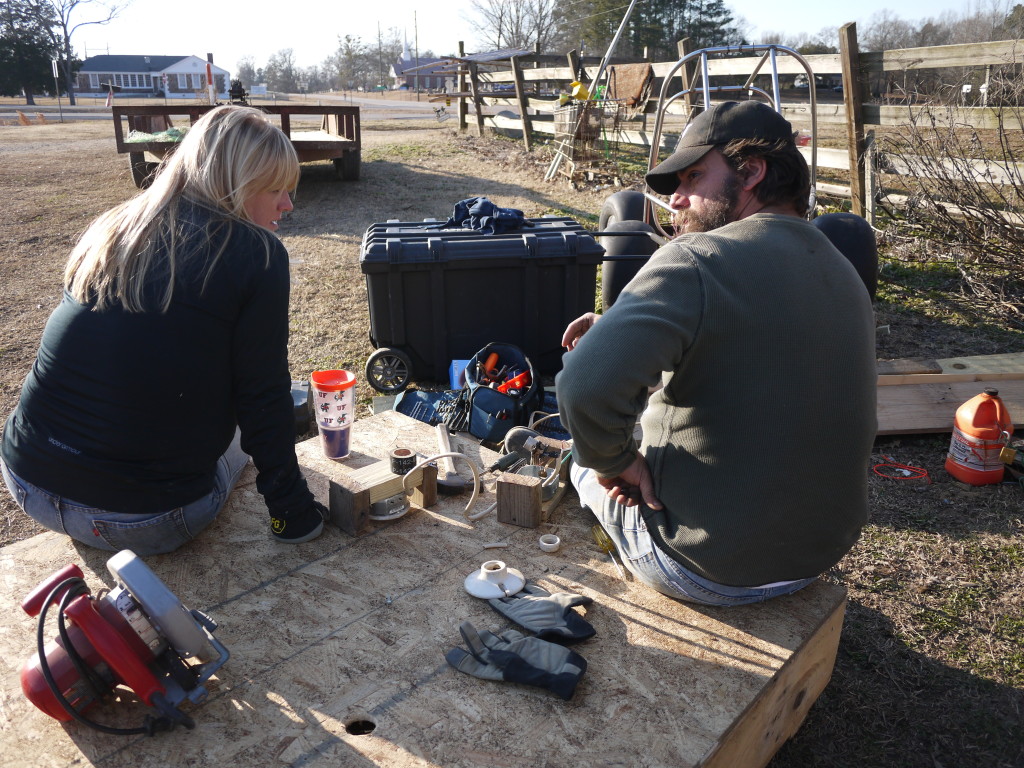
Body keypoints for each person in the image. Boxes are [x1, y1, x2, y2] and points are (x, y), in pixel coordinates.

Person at [557, 101, 876, 606]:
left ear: (750, 172)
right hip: (816, 557)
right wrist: (617, 329)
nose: (676, 199)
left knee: (580, 456)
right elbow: (756, 341)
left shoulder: (694, 259)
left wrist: (614, 462)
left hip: (704, 568)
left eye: (693, 177)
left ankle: (615, 523)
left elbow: (585, 386)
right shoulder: (840, 265)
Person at [0, 105, 326, 556]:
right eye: (275, 189)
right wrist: (292, 513)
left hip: (26, 481)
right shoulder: (258, 254)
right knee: (240, 437)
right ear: (233, 184)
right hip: (140, 520)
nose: (288, 205)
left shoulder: (115, 226)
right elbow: (262, 397)